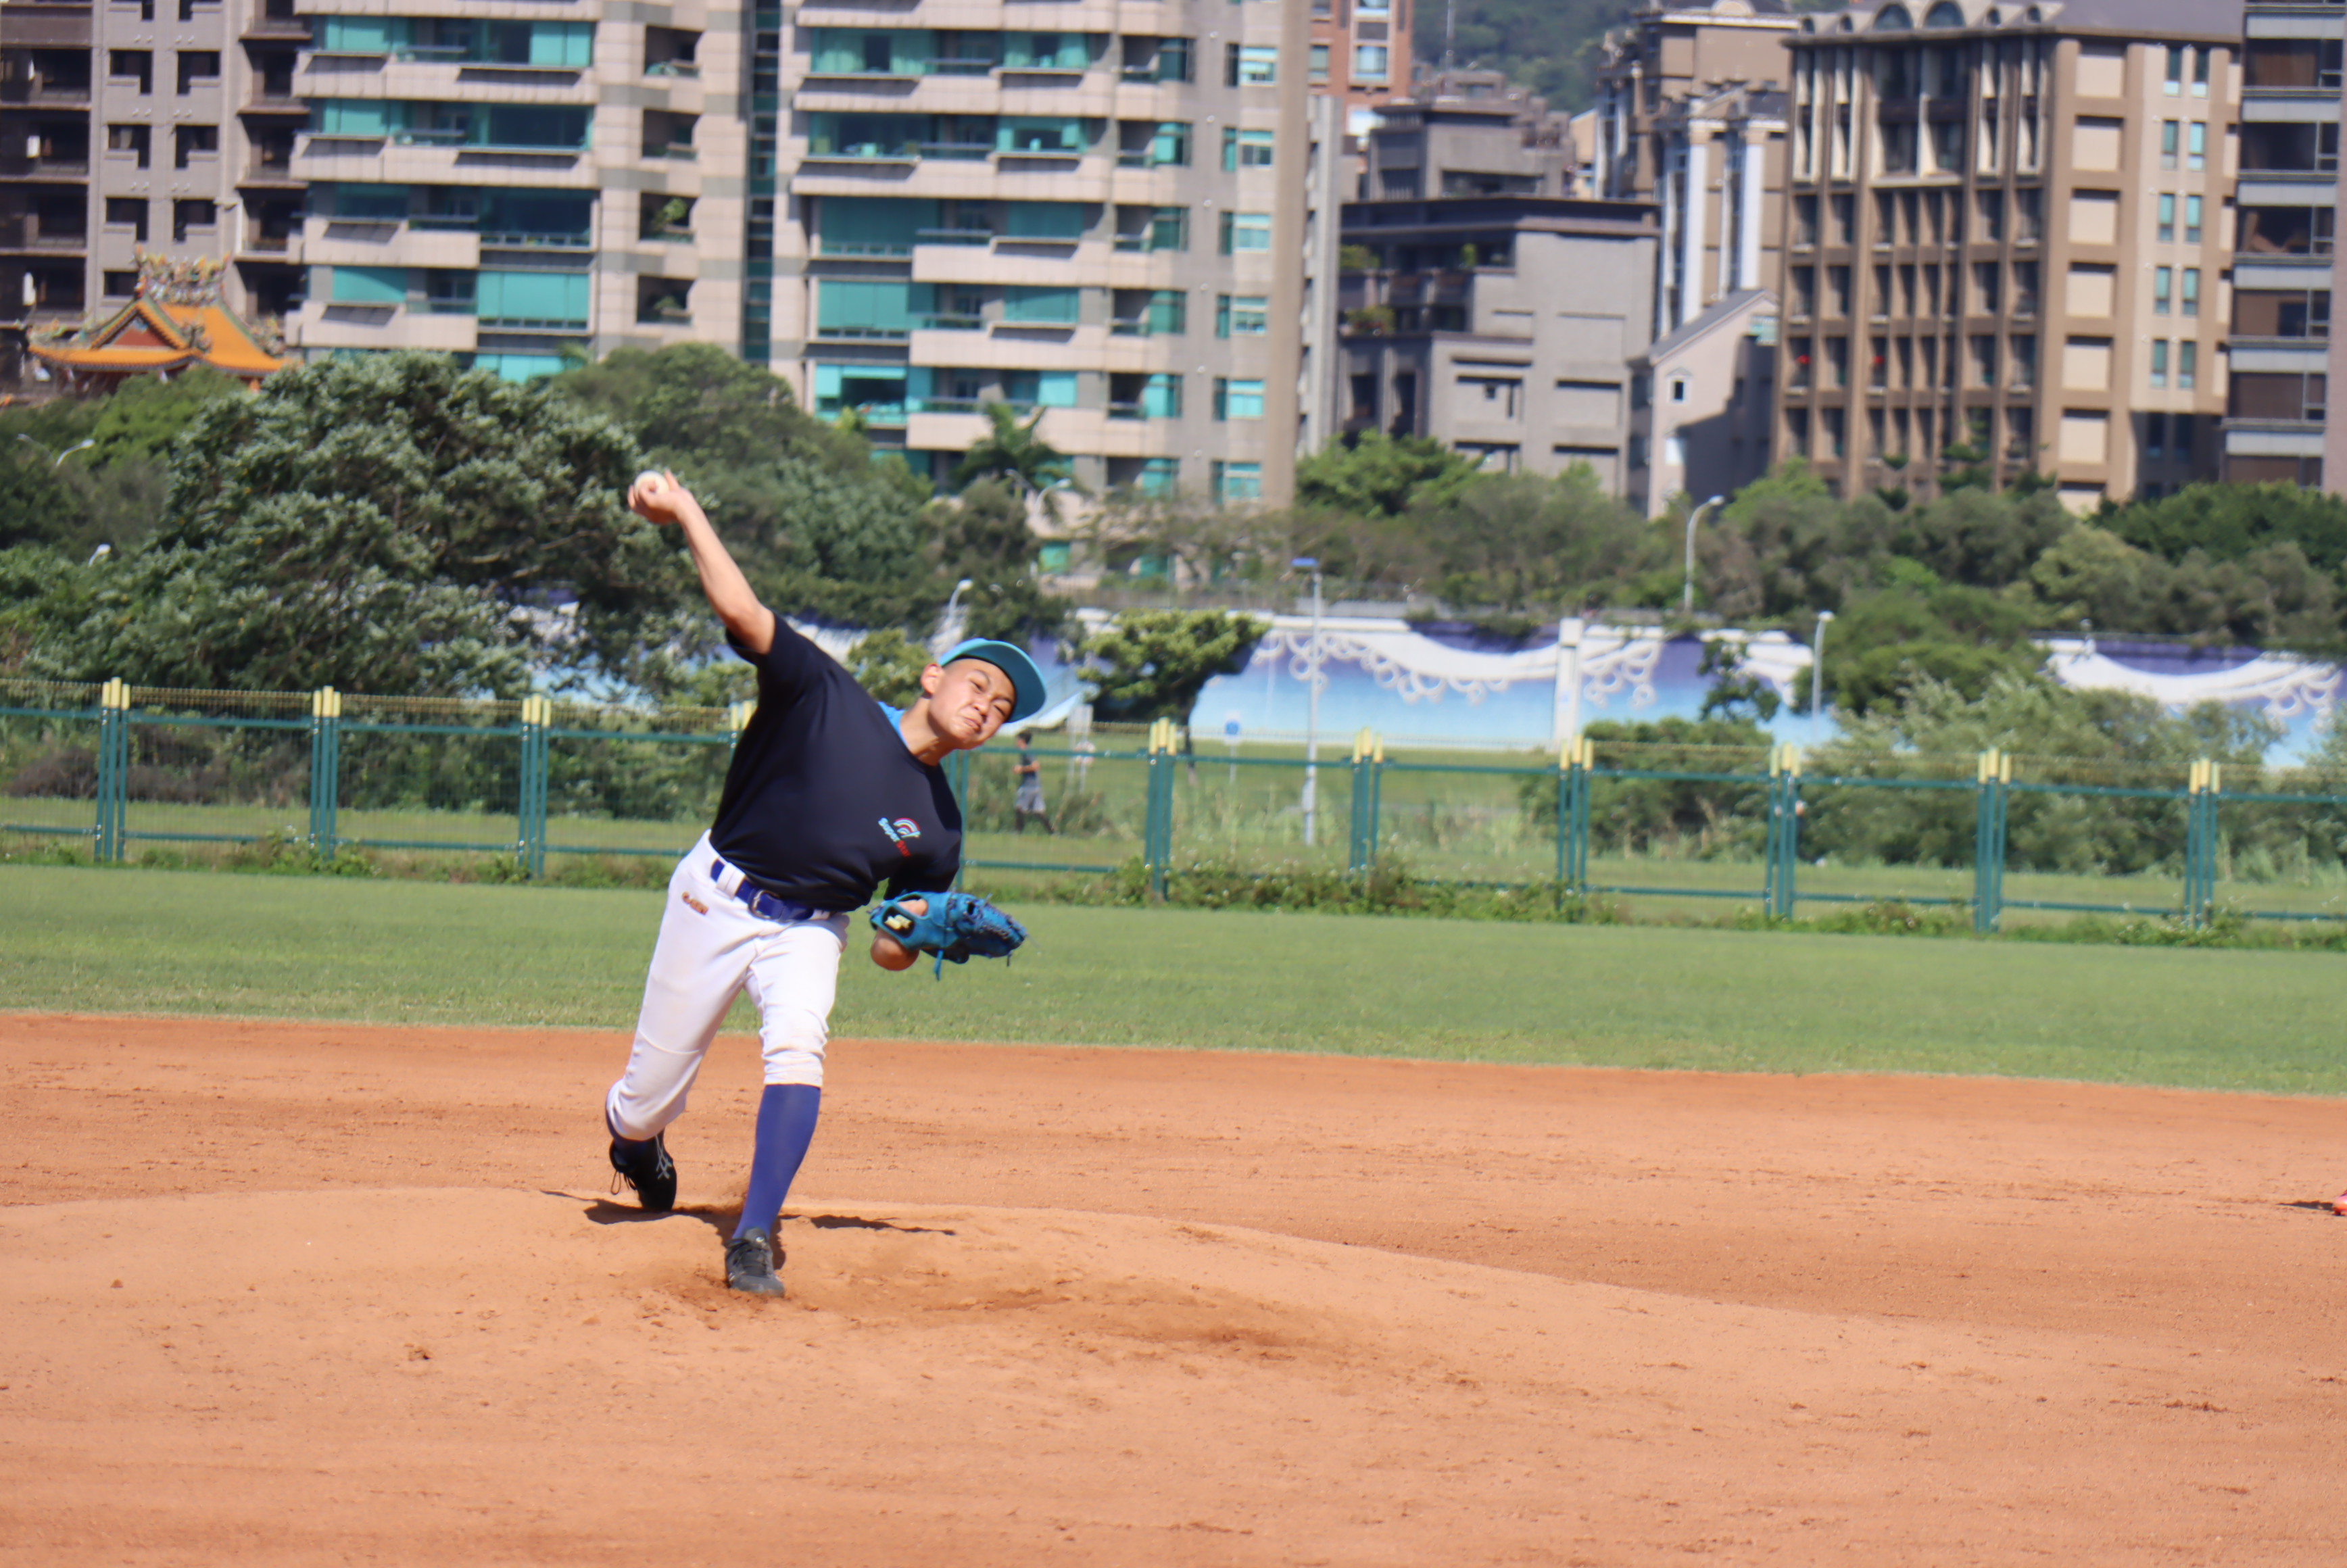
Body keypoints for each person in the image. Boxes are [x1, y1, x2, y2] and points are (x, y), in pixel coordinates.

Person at [604, 470, 1045, 1296]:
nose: (986, 706)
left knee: (799, 1046)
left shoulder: (939, 826)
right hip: (714, 896)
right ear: (933, 677)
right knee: (646, 1098)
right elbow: (743, 613)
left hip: (811, 929)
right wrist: (686, 510)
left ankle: (754, 1235)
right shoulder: (825, 695)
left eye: (1002, 707)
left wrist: (917, 931)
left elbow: (887, 949)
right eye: (978, 683)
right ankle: (634, 1140)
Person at [1012, 730, 1055, 835]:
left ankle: (1018, 833)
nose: (1016, 742)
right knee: (1039, 812)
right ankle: (1053, 833)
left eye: (1018, 740)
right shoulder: (1025, 752)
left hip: (1029, 786)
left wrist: (1021, 769)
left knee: (1020, 809)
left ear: (1022, 741)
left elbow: (1036, 766)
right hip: (1035, 786)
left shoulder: (1027, 752)